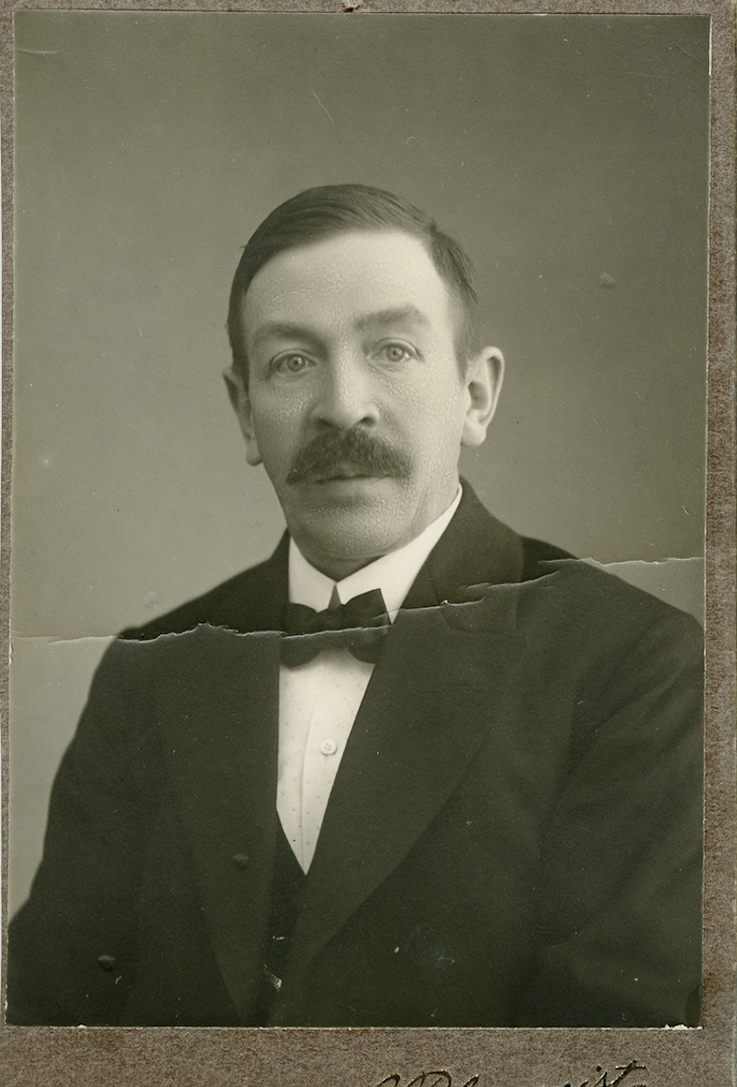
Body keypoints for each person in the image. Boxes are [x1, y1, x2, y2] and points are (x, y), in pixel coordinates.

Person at [7, 184, 703, 1028]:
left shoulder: (637, 665)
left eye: (392, 350)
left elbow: (613, 1060)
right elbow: (50, 1031)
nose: (342, 405)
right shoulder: (149, 672)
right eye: (291, 362)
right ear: (244, 412)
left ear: (475, 396)